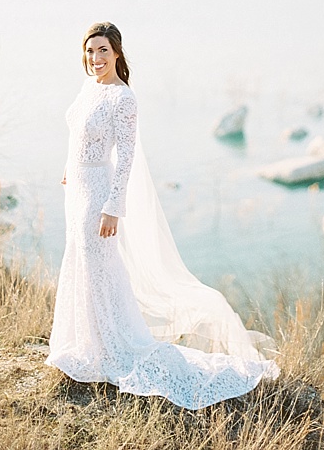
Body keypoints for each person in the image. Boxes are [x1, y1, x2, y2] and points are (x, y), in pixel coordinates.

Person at [46, 21, 279, 409]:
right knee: (82, 265)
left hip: (99, 196)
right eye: (90, 51)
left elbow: (125, 158)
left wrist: (113, 208)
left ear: (117, 53)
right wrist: (70, 166)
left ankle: (113, 348)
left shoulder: (123, 99)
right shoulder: (90, 87)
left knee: (100, 268)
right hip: (77, 191)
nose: (96, 58)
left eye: (103, 50)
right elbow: (79, 135)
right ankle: (86, 342)